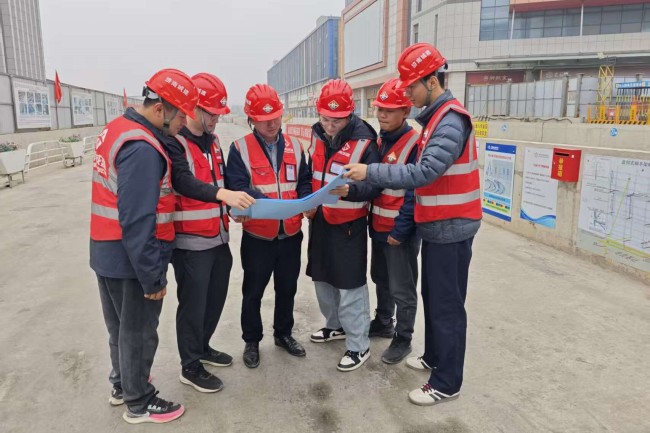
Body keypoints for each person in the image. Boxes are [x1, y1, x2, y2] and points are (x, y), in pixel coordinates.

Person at [344, 43, 481, 405]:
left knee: (447, 307)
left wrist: (370, 171)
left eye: (411, 87)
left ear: (432, 81)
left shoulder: (450, 120)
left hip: (453, 227)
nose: (407, 94)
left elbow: (424, 172)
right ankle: (434, 357)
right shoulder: (434, 119)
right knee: (433, 298)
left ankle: (446, 382)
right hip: (437, 226)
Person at [90, 69, 200, 424]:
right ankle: (139, 402)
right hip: (131, 258)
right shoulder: (142, 148)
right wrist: (152, 276)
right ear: (160, 108)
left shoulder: (118, 128)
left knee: (120, 329)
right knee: (138, 331)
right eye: (181, 116)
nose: (183, 124)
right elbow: (137, 218)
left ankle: (122, 384)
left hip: (107, 250)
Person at [172, 73, 254, 392]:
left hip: (218, 236)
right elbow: (184, 182)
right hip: (191, 241)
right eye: (212, 113)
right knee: (192, 305)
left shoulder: (214, 142)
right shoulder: (176, 142)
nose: (217, 119)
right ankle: (190, 365)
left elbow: (222, 182)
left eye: (219, 113)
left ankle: (202, 346)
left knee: (214, 298)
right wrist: (223, 196)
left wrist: (238, 205)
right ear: (193, 108)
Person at [227, 84, 312, 368]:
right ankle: (252, 340)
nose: (272, 124)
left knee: (287, 288)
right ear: (251, 119)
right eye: (264, 120)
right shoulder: (239, 149)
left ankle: (283, 334)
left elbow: (304, 181)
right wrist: (272, 203)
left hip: (291, 234)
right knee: (253, 292)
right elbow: (237, 186)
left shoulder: (296, 147)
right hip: (258, 236)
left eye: (275, 117)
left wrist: (307, 200)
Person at [307, 79, 382, 372]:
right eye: (325, 118)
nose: (329, 125)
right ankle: (334, 325)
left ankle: (358, 345)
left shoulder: (365, 141)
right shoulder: (317, 134)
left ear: (349, 114)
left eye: (336, 120)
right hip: (320, 220)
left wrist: (350, 191)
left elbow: (376, 185)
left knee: (350, 285)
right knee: (322, 278)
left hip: (349, 224)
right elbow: (310, 173)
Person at [368, 78, 421, 365]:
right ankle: (383, 321)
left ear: (406, 111)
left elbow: (414, 193)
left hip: (400, 231)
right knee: (381, 278)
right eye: (379, 109)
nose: (382, 115)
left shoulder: (414, 144)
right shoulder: (380, 140)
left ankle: (403, 337)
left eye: (389, 110)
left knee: (403, 286)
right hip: (378, 226)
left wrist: (401, 231)